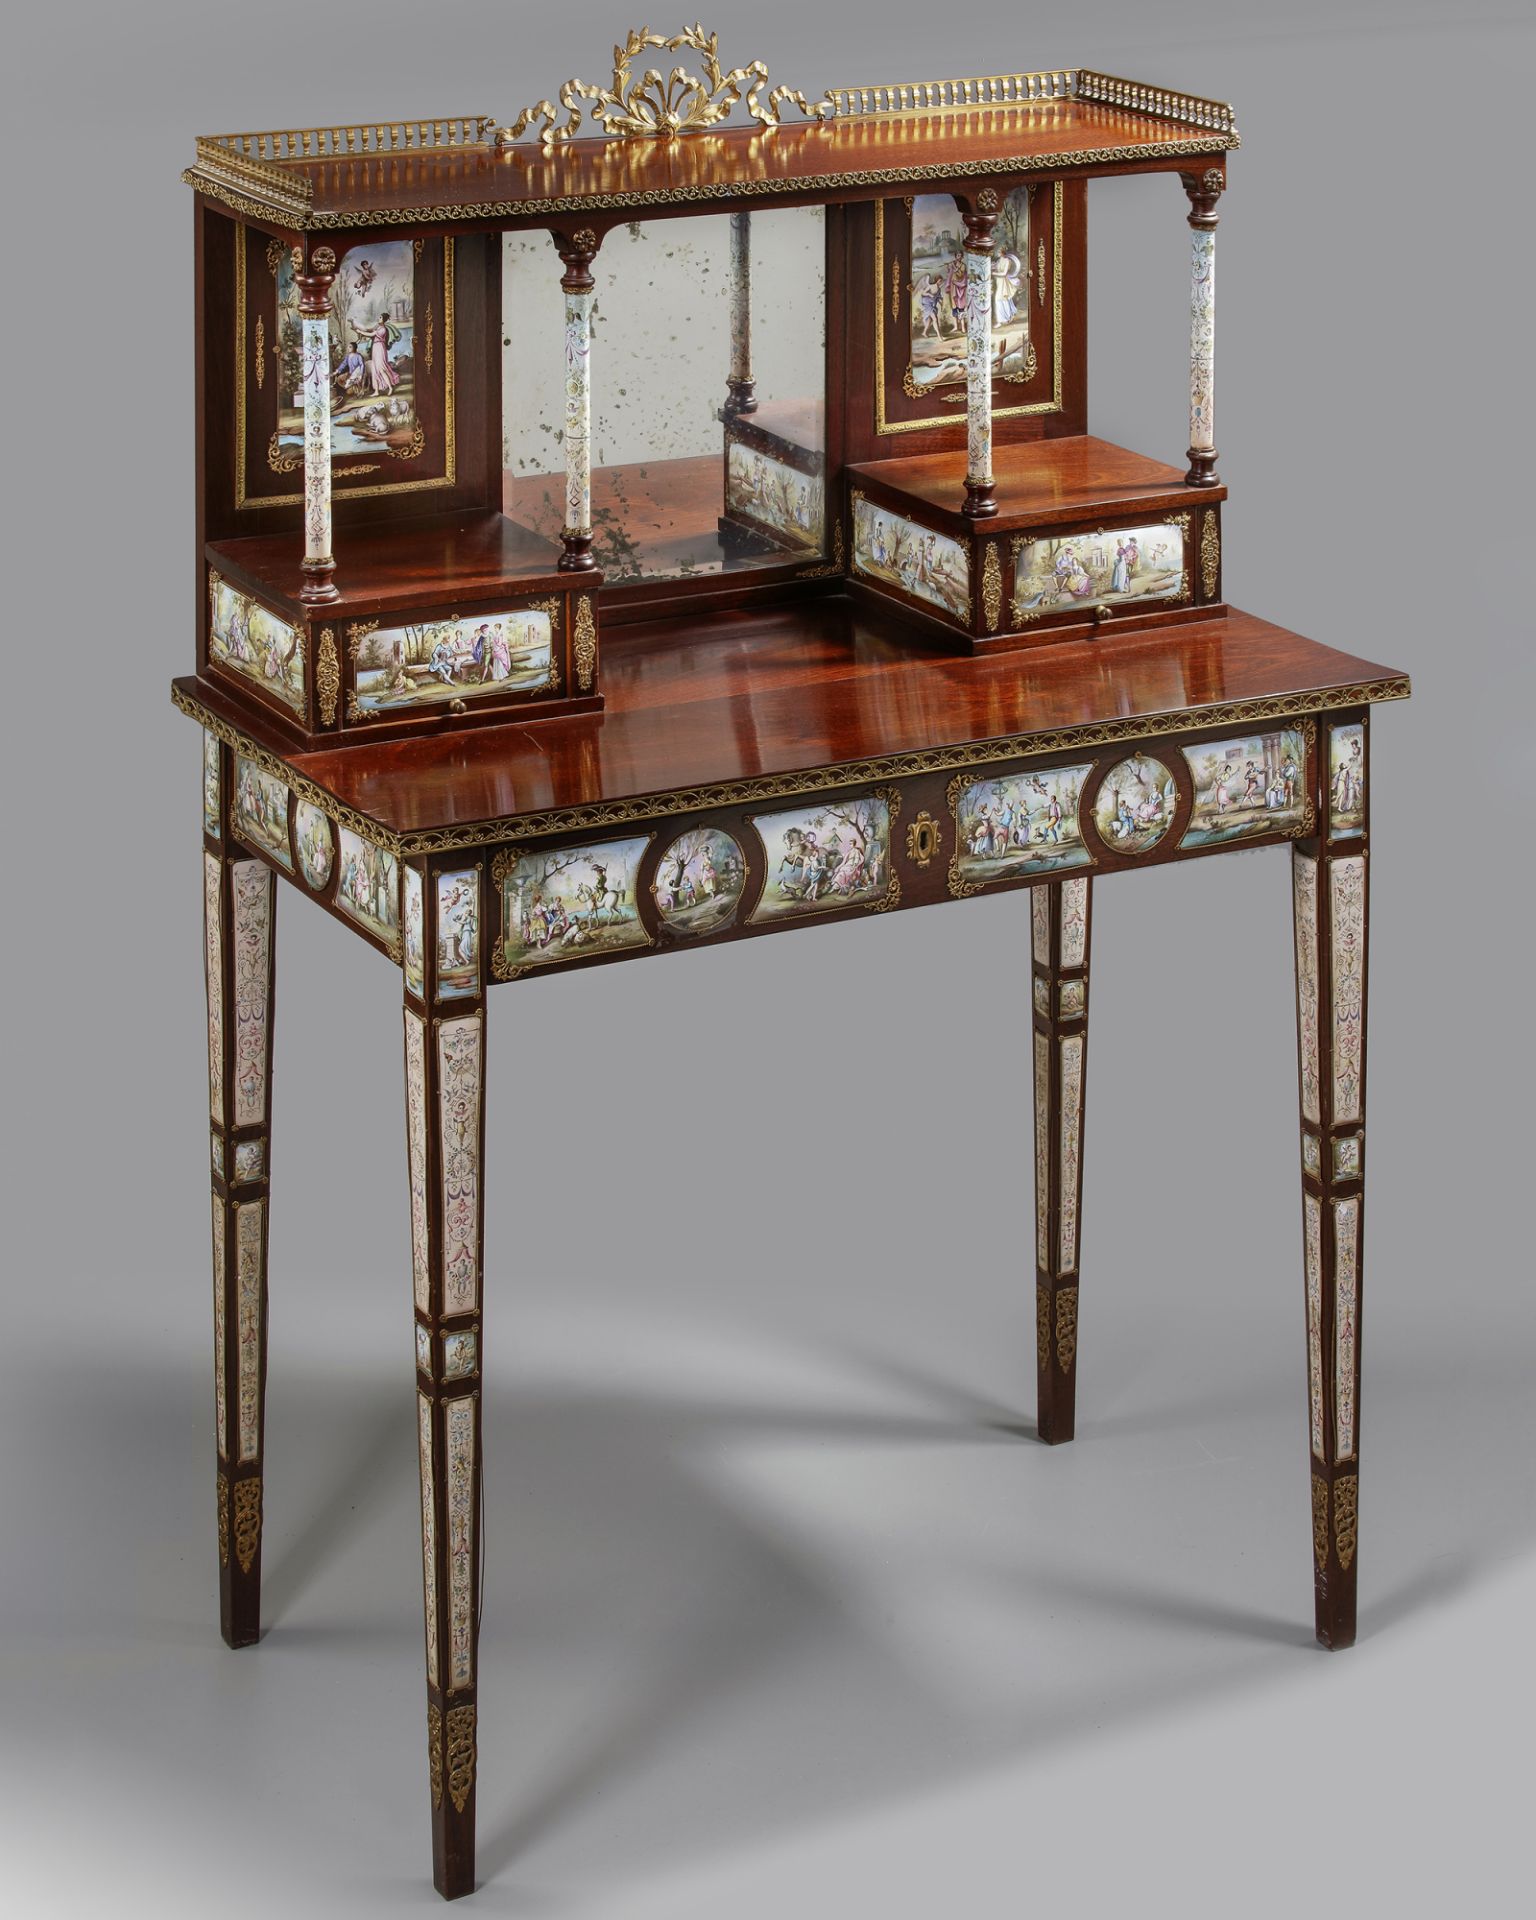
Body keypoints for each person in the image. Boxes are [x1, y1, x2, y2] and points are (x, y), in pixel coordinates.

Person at [366, 315, 402, 395]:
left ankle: (390, 387)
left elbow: (371, 334)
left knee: (382, 369)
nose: (378, 318)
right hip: (375, 348)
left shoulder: (383, 329)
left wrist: (360, 332)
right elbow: (369, 331)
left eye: (380, 317)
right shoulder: (378, 328)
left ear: (384, 320)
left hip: (380, 348)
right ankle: (376, 391)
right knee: (375, 369)